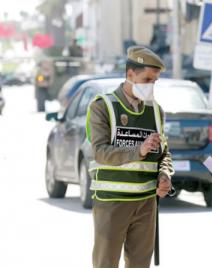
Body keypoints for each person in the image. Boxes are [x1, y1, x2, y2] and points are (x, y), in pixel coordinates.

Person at [86, 46, 174, 268]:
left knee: (140, 264)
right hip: (111, 201)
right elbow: (100, 152)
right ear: (130, 75)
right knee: (106, 263)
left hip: (146, 203)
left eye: (155, 81)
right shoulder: (102, 106)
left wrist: (164, 174)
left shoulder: (156, 111)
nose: (151, 86)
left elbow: (164, 153)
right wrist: (139, 151)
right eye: (147, 79)